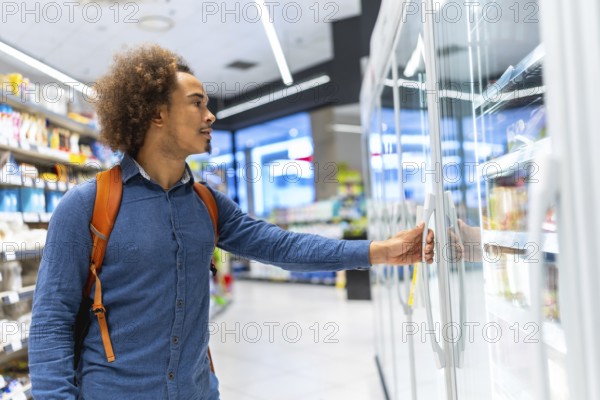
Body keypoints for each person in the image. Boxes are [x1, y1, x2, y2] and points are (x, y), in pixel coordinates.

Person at [28, 44, 435, 399]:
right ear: (156, 115)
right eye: (197, 103)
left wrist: (380, 251)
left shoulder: (208, 204)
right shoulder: (87, 206)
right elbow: (51, 322)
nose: (211, 116)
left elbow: (283, 247)